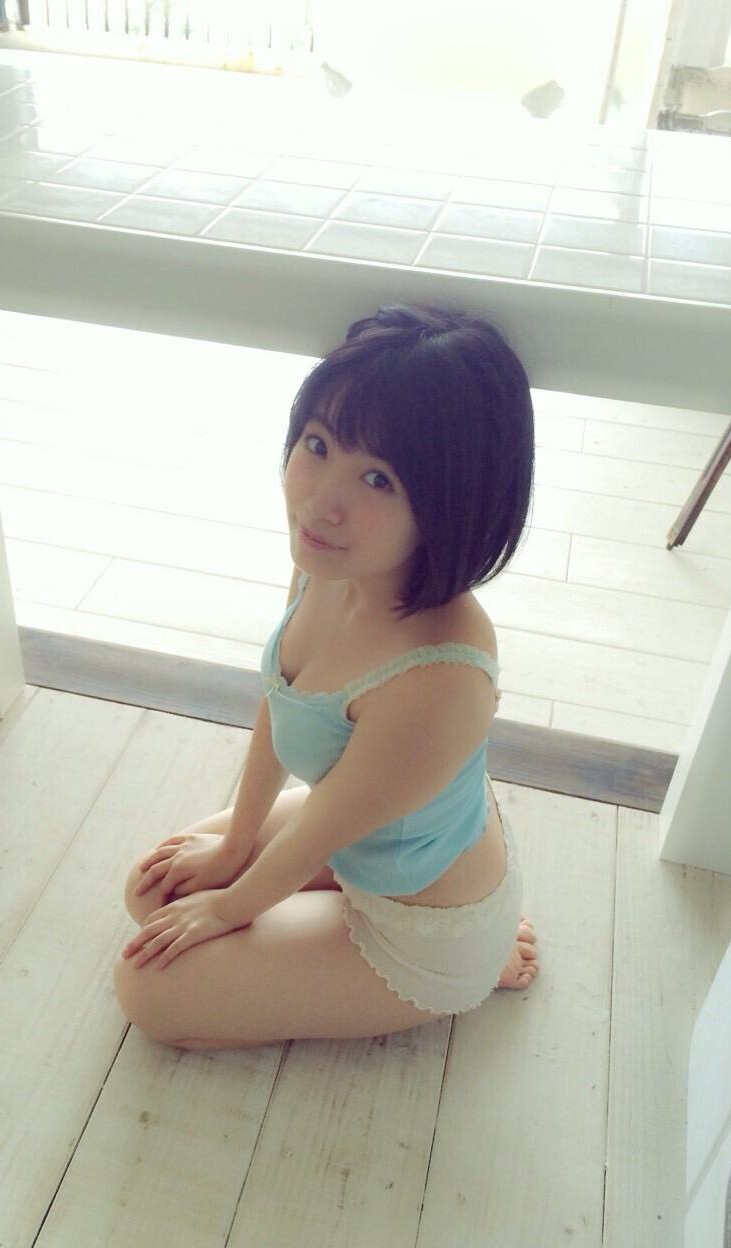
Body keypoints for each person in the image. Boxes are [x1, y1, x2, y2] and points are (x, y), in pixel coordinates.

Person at [115, 302, 539, 1050]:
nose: (321, 501)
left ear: (451, 502)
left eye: (377, 479)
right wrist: (236, 842)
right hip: (363, 839)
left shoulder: (442, 680)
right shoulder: (332, 562)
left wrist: (232, 906)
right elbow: (280, 705)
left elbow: (319, 830)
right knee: (150, 892)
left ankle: (480, 964)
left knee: (146, 989)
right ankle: (319, 933)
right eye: (317, 444)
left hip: (419, 927)